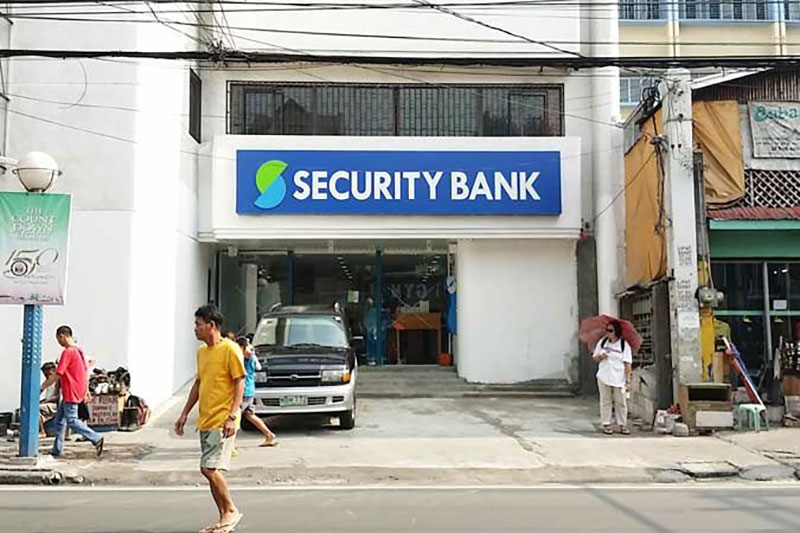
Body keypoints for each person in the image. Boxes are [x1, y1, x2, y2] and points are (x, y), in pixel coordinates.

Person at [174, 305, 246, 533]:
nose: (194, 329)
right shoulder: (202, 352)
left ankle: (231, 510)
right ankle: (224, 518)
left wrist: (232, 416)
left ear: (211, 325)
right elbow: (199, 383)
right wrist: (185, 413)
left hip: (223, 420)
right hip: (206, 419)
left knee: (209, 468)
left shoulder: (230, 349)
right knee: (212, 470)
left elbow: (239, 382)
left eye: (198, 324)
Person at [39, 326, 104, 457]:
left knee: (72, 420)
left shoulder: (68, 352)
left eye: (58, 339)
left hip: (70, 391)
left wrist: (42, 387)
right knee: (60, 421)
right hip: (75, 390)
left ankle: (96, 438)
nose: (58, 342)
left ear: (62, 336)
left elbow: (58, 374)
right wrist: (86, 389)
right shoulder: (79, 350)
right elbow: (85, 371)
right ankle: (57, 449)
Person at [593, 320, 633, 435]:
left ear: (617, 332)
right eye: (607, 330)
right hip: (604, 376)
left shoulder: (623, 345)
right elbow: (594, 357)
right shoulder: (603, 342)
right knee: (605, 401)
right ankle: (606, 424)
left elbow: (628, 364)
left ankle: (622, 424)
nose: (608, 333)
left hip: (619, 378)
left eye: (610, 331)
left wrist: (628, 381)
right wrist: (601, 357)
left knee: (621, 402)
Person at [236, 336, 277, 447]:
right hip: (250, 389)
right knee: (249, 415)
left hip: (244, 391)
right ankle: (269, 435)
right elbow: (258, 367)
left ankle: (230, 444)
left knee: (234, 416)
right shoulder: (252, 357)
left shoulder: (244, 357)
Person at [39, 362, 59, 436]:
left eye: (48, 374)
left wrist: (46, 401)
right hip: (48, 403)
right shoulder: (48, 382)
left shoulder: (58, 381)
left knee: (37, 408)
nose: (47, 376)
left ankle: (42, 431)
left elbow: (58, 396)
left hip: (56, 404)